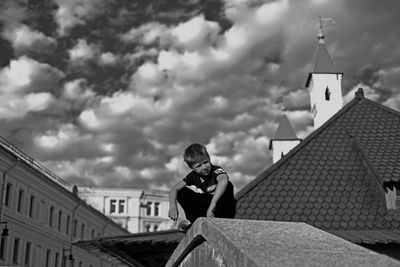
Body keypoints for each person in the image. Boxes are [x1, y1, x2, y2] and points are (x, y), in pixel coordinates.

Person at [168, 143, 236, 232]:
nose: (204, 167)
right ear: (192, 168)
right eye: (199, 166)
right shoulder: (192, 176)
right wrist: (172, 206)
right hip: (208, 209)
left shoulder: (216, 170)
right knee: (182, 191)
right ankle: (195, 222)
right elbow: (174, 189)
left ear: (209, 159)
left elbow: (223, 181)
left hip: (224, 208)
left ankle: (218, 217)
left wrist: (213, 204)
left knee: (227, 185)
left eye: (206, 162)